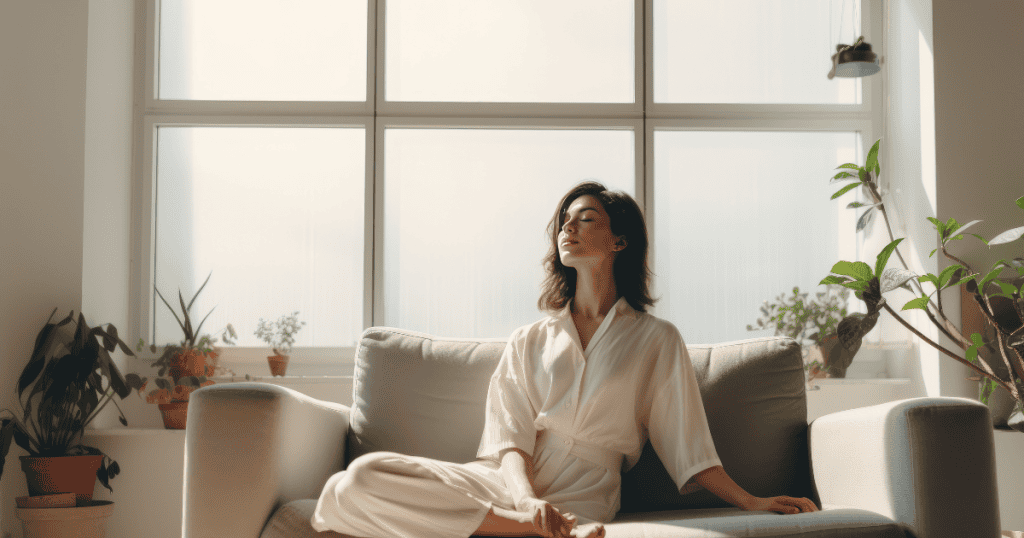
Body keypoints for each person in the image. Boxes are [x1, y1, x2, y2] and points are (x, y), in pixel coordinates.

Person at [311, 181, 818, 538]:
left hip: (587, 490)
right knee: (358, 478)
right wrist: (527, 499)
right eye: (564, 222)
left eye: (586, 219)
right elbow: (509, 439)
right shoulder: (529, 338)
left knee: (355, 501)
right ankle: (524, 527)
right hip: (506, 484)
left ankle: (525, 526)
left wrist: (752, 501)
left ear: (619, 240)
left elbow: (688, 443)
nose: (568, 229)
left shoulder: (655, 339)